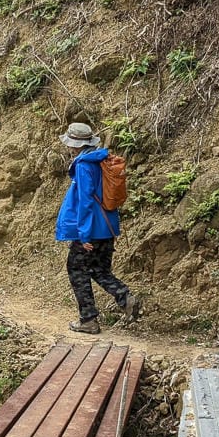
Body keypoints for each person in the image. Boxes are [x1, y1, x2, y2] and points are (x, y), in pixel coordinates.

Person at [55, 122, 142, 334]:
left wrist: (83, 235)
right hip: (107, 226)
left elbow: (85, 201)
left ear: (75, 144)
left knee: (76, 269)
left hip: (91, 228)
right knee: (99, 269)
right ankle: (125, 298)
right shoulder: (102, 160)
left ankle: (88, 320)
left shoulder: (84, 165)